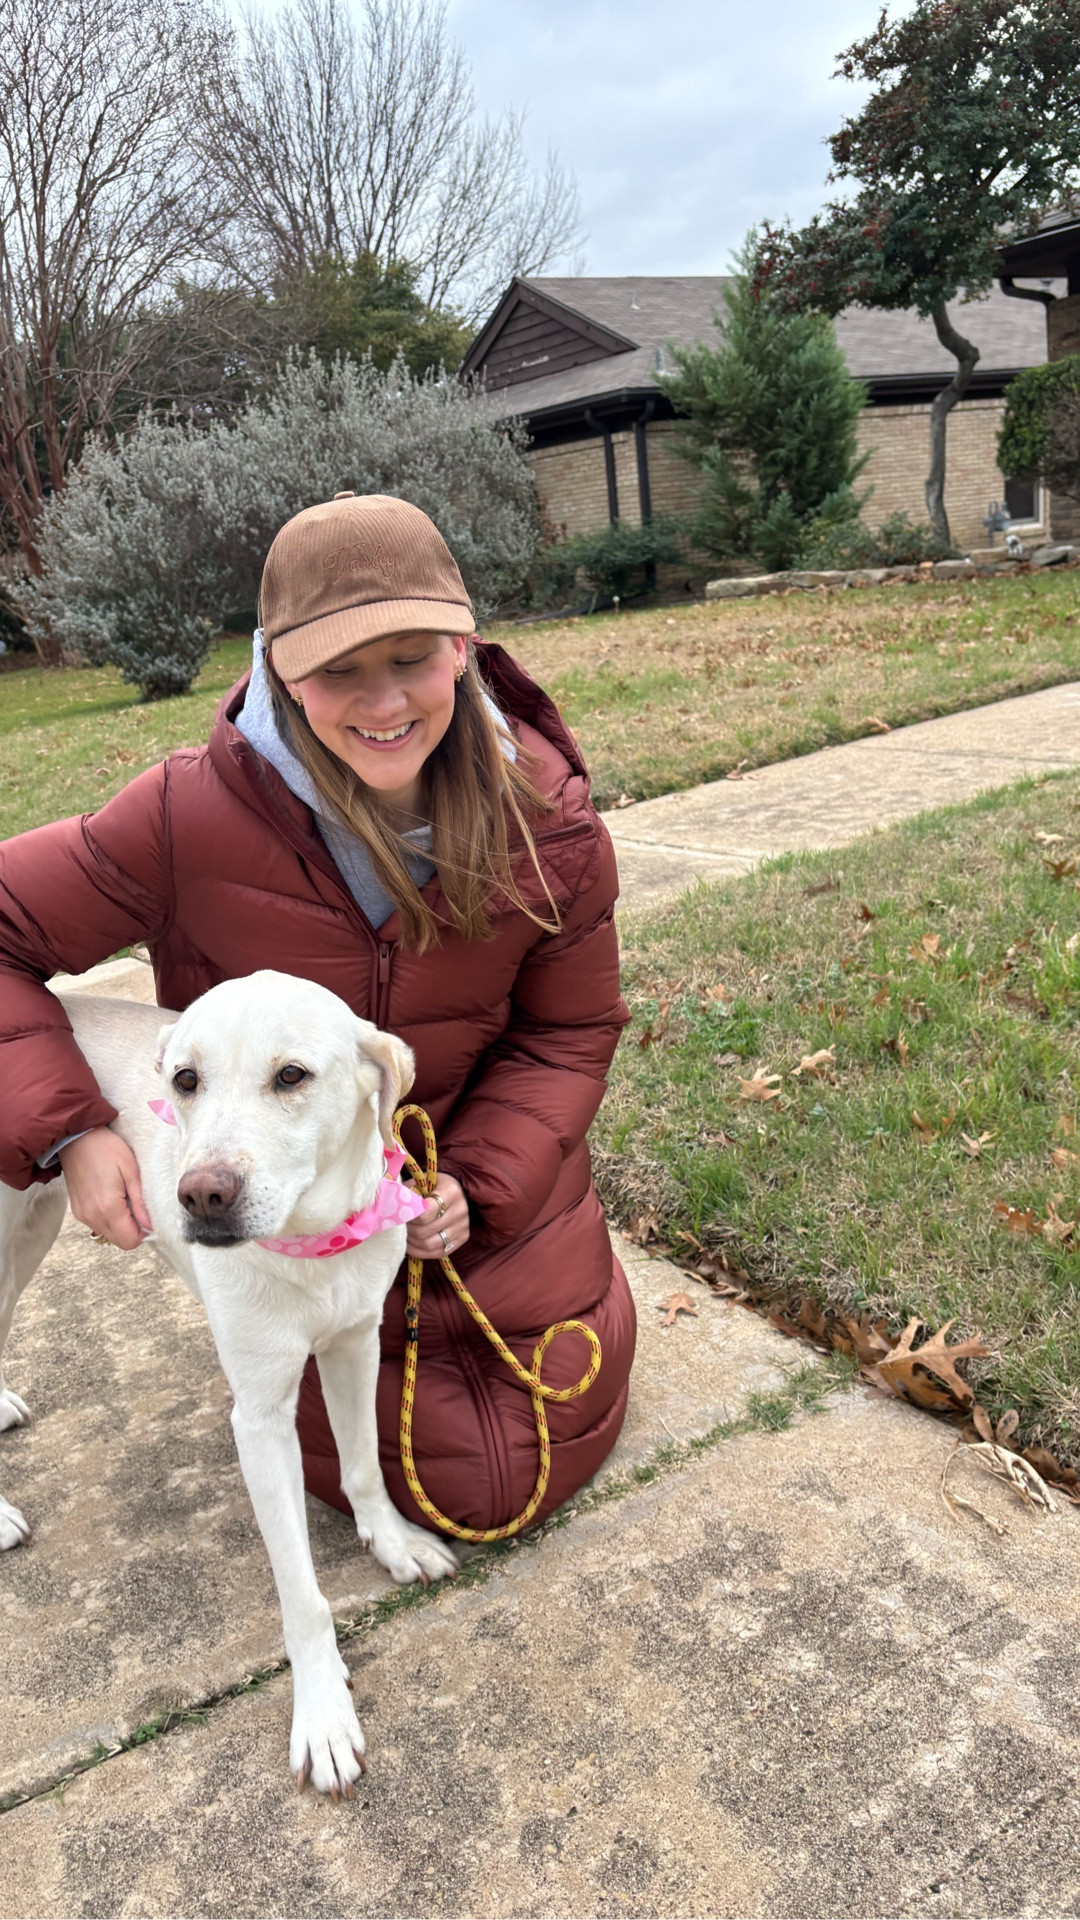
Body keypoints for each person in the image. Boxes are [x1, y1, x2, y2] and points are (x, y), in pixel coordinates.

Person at [0, 493, 636, 1535]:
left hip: (476, 1198)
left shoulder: (551, 828)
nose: (382, 701)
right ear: (276, 669)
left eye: (413, 656)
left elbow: (565, 1035)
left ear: (466, 648)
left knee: (502, 1463)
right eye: (339, 667)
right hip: (280, 1222)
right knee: (452, 1479)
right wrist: (68, 1129)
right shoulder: (182, 815)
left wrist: (478, 1182)